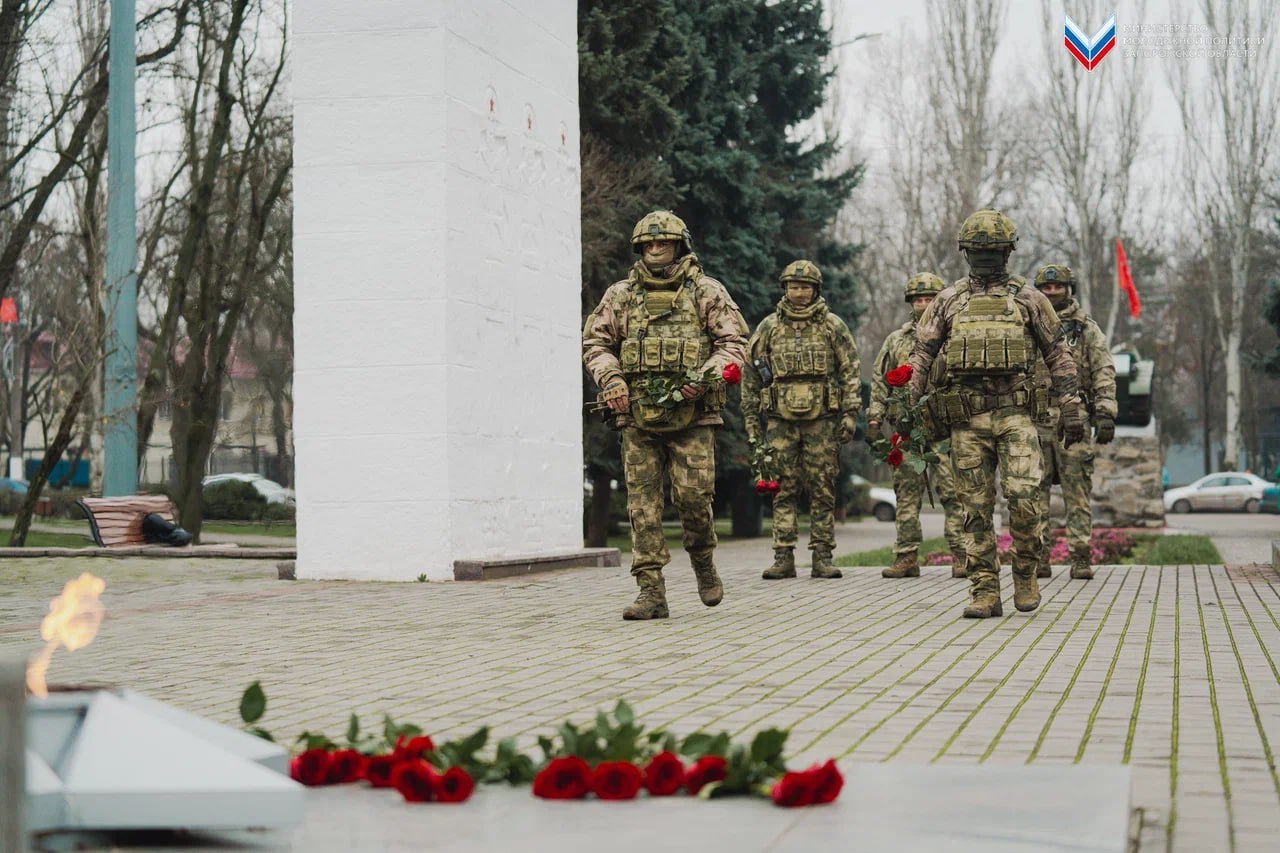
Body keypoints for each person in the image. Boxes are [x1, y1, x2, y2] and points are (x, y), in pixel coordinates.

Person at [905, 209, 1085, 618]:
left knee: (1024, 498)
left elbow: (1058, 354)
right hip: (966, 419)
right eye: (978, 251)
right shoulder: (949, 300)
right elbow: (921, 355)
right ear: (966, 253)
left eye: (993, 251)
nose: (986, 258)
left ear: (1007, 252)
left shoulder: (1029, 299)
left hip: (1016, 415)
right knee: (975, 508)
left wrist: (1071, 409)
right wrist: (907, 406)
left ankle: (1025, 572)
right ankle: (984, 589)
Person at [582, 210, 748, 620]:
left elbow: (734, 344)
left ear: (679, 245)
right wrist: (612, 380)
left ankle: (703, 561)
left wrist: (705, 378)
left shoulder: (706, 291)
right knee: (643, 506)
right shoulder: (621, 296)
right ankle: (651, 591)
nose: (656, 249)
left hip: (693, 417)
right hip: (637, 417)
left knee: (693, 498)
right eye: (649, 244)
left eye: (664, 242)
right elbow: (595, 344)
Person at [741, 261, 861, 580]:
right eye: (793, 287)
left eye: (805, 287)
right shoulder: (769, 327)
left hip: (821, 420)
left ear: (816, 290)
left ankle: (822, 555)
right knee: (782, 488)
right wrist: (751, 419)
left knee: (822, 487)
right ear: (785, 289)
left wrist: (850, 414)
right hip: (780, 421)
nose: (799, 293)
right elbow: (750, 373)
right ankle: (783, 555)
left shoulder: (832, 326)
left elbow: (850, 370)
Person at [868, 273, 967, 580]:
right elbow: (880, 381)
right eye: (918, 299)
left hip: (945, 429)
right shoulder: (896, 341)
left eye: (929, 299)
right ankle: (906, 556)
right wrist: (874, 419)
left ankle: (962, 554)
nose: (923, 304)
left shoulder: (956, 335)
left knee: (954, 492)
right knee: (907, 494)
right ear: (910, 303)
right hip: (907, 429)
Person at [1031, 265, 1117, 580]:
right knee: (1032, 490)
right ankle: (1038, 557)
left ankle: (1080, 556)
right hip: (1036, 417)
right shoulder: (1028, 325)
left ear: (1069, 289)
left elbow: (1103, 370)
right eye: (1046, 287)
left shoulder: (1086, 328)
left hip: (1074, 418)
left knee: (1077, 489)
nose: (1052, 292)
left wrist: (1105, 412)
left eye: (1058, 286)